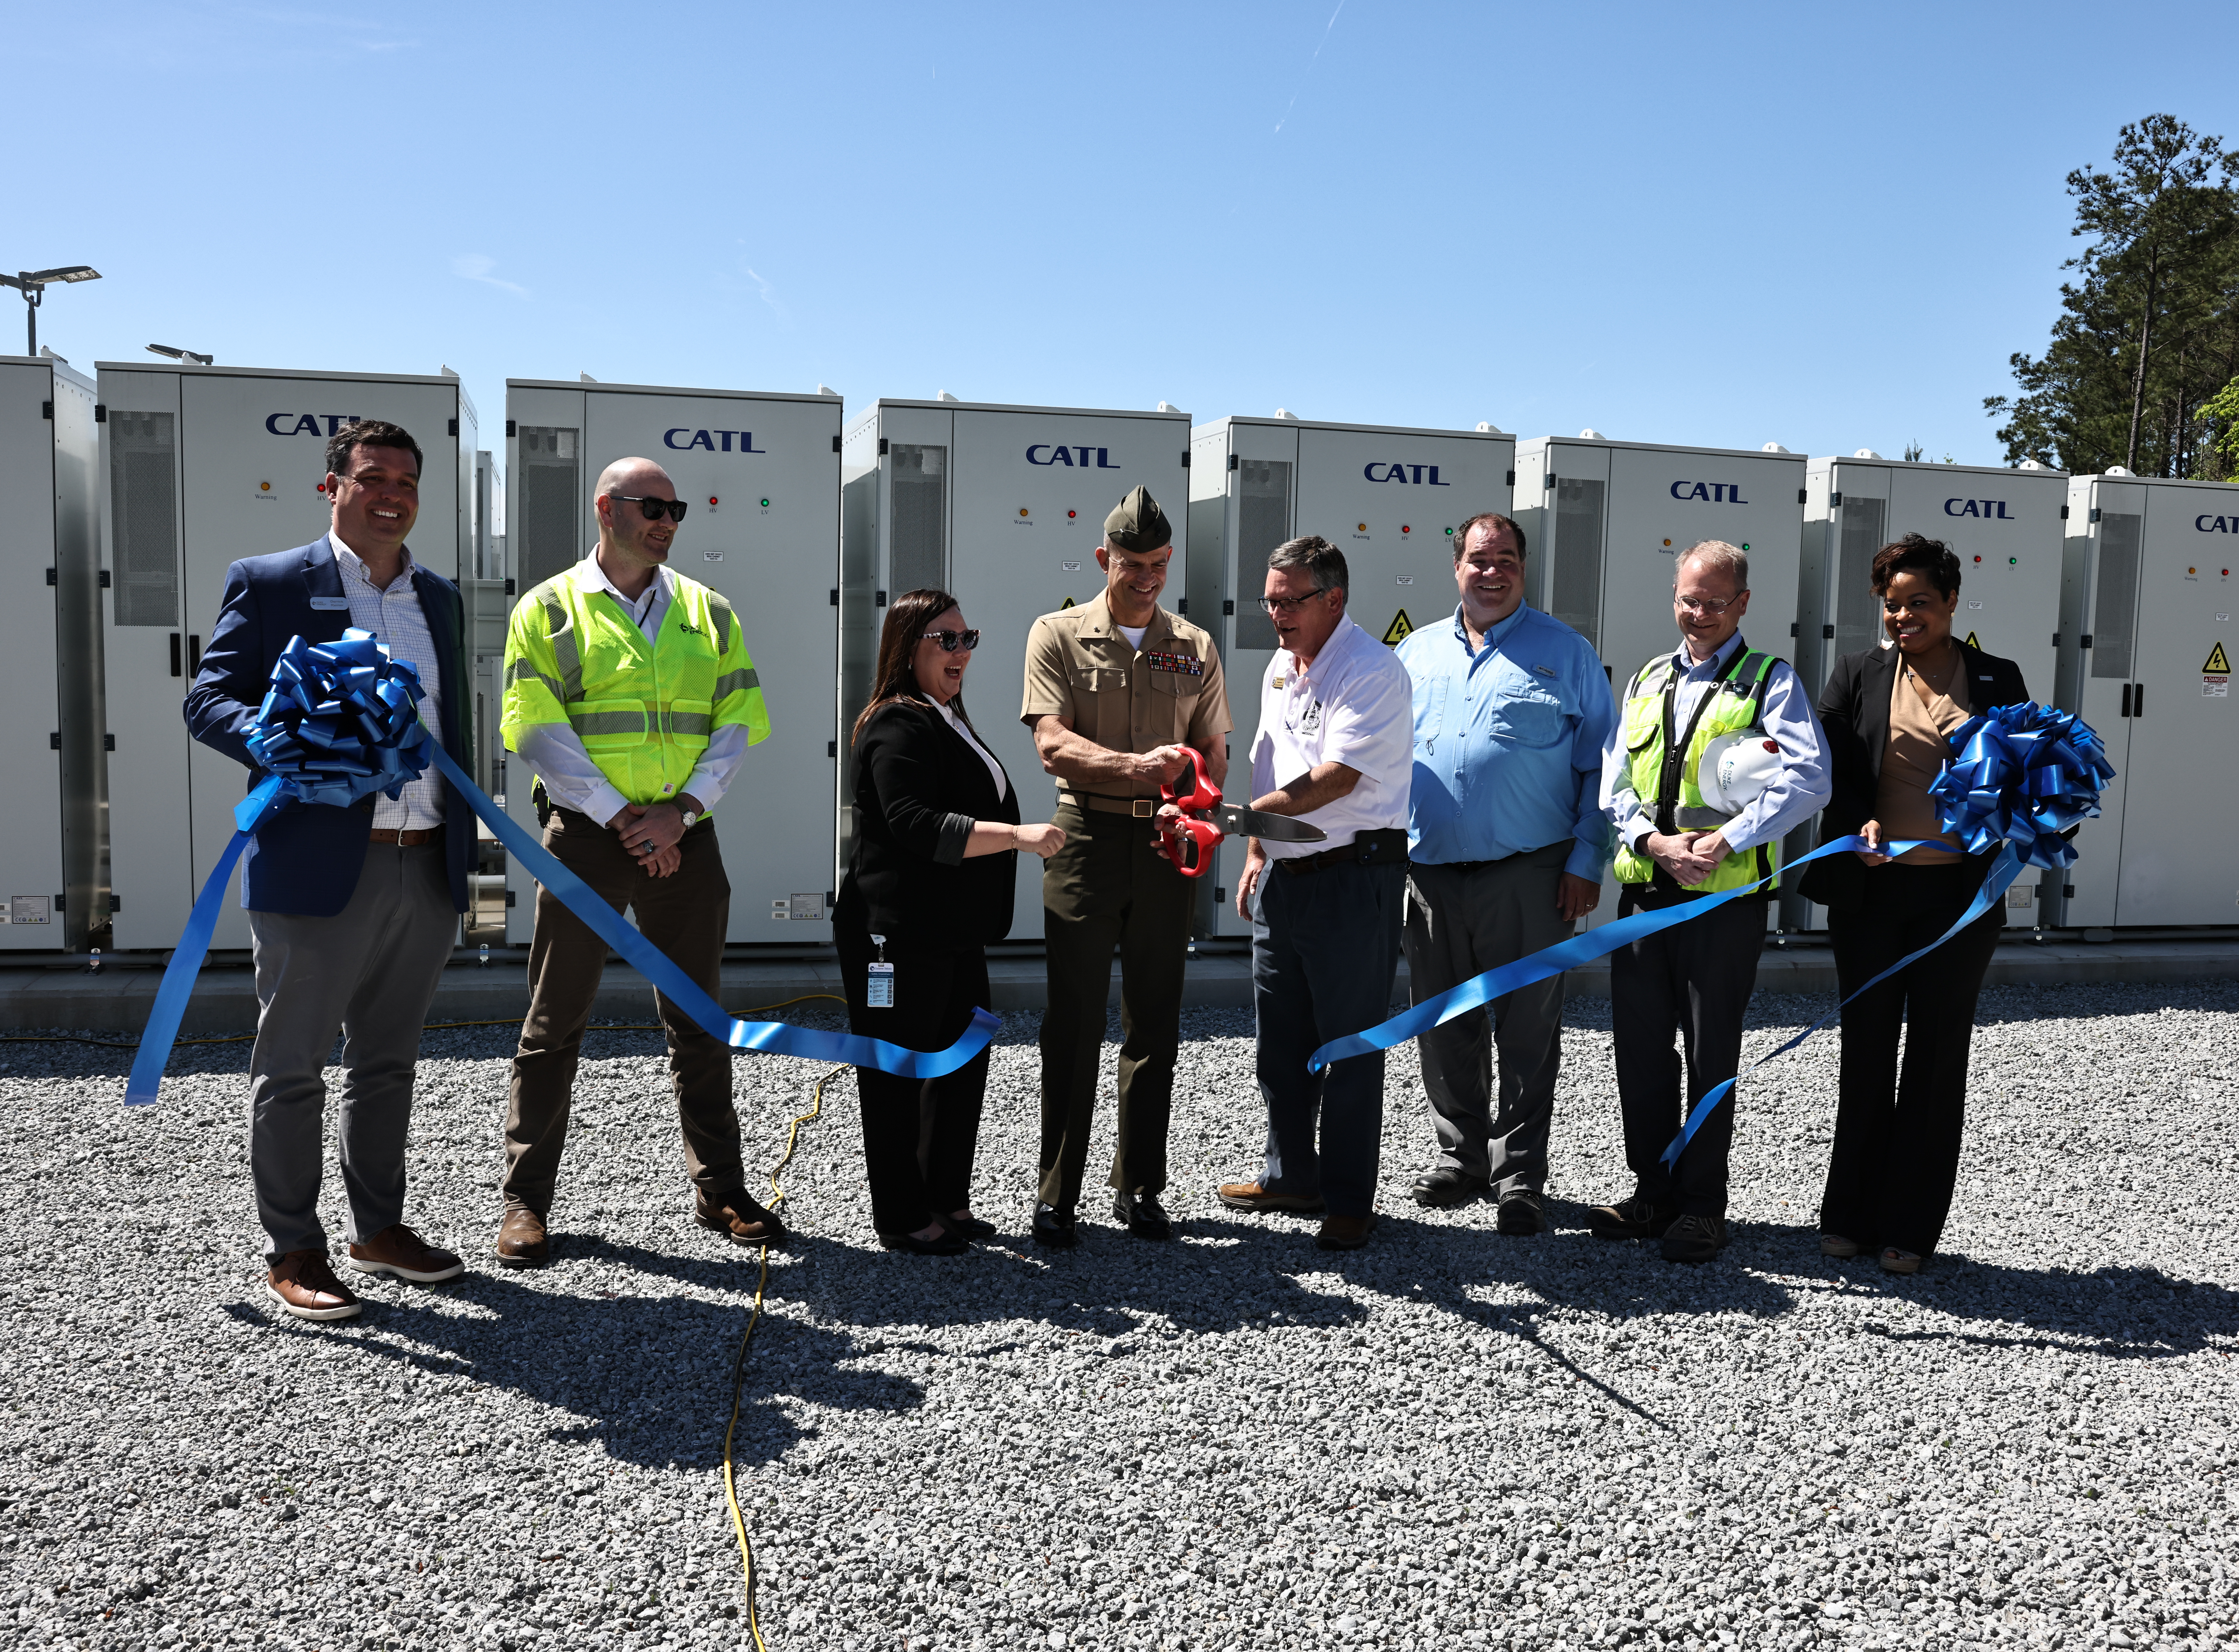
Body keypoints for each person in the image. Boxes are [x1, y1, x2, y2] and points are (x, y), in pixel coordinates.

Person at [185, 420, 476, 1321]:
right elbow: (208, 696)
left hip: (423, 859)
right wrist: (275, 739)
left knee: (388, 1063)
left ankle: (378, 1229)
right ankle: (295, 1248)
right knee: (295, 1066)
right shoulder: (273, 581)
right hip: (317, 865)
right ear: (332, 487)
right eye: (372, 477)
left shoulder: (442, 597)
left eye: (408, 481)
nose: (392, 494)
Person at [495, 457, 774, 1265]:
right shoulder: (547, 609)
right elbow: (536, 728)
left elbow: (736, 721)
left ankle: (720, 1187)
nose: (667, 520)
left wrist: (679, 814)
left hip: (685, 833)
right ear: (605, 509)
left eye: (676, 508)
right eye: (652, 506)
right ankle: (524, 1203)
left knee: (700, 1018)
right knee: (555, 1024)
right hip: (590, 836)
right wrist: (625, 817)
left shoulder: (708, 611)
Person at [1591, 541, 1831, 1263]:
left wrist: (1725, 841)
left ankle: (1701, 1206)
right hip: (1645, 895)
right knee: (1639, 1055)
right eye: (1688, 600)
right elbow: (1614, 787)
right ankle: (1651, 1191)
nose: (1699, 615)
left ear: (1743, 605)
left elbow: (1809, 779)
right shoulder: (1646, 677)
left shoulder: (1770, 682)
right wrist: (1653, 841)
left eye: (1715, 602)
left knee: (1709, 1055)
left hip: (1720, 906)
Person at [1799, 533, 2029, 1275]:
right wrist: (1851, 824)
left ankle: (1909, 1227)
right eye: (1892, 605)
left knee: (1935, 1059)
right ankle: (1849, 1218)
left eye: (1919, 603)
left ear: (1952, 602)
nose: (1904, 616)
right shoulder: (1856, 674)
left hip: (1958, 900)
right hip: (1870, 895)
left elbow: (2027, 778)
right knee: (1865, 1054)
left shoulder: (1997, 679)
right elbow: (1825, 774)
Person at [1020, 486, 1231, 1247]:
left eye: (1161, 564)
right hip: (1085, 840)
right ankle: (1057, 1194)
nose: (1148, 577)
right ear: (1105, 558)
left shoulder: (1195, 645)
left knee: (1155, 1020)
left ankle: (1140, 1185)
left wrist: (1195, 797)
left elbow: (1214, 750)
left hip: (1166, 846)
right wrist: (1136, 768)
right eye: (1134, 564)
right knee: (1072, 1022)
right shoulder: (1058, 633)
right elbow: (1052, 744)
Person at [1392, 512, 1615, 1233]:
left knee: (1526, 1030)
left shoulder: (1567, 653)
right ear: (1455, 565)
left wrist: (1587, 860)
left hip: (1531, 873)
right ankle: (1461, 1158)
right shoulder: (1415, 653)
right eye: (1479, 559)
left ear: (1524, 567)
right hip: (1429, 873)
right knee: (1444, 1021)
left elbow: (1601, 772)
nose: (1493, 572)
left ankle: (1519, 1172)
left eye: (1507, 559)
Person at [836, 589, 1065, 1254]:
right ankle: (904, 1216)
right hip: (898, 935)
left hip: (950, 933)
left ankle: (946, 1197)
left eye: (968, 639)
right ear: (908, 647)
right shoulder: (895, 724)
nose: (962, 652)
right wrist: (1018, 836)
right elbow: (914, 824)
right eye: (946, 639)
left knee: (962, 1061)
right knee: (898, 1075)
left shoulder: (944, 716)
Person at [1216, 536, 1412, 1251]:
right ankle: (1291, 1174)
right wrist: (1255, 850)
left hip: (1352, 878)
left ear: (1334, 598)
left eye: (1288, 600)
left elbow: (1336, 778)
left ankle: (1349, 1199)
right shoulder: (1280, 665)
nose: (1275, 614)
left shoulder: (1371, 670)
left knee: (1350, 1046)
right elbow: (1269, 758)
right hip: (1286, 878)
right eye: (1269, 600)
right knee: (1281, 1043)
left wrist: (1240, 820)